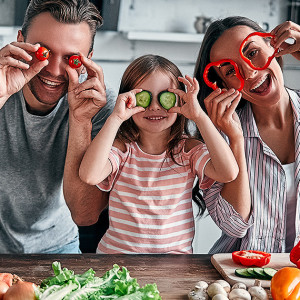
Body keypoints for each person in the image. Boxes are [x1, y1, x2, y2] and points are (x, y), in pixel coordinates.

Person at [78, 54, 239, 254]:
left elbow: (228, 172)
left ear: (180, 99)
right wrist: (116, 117)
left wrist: (198, 116)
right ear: (127, 99)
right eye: (143, 97)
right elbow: (89, 175)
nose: (154, 106)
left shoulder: (187, 150)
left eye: (165, 97)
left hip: (173, 265)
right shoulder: (122, 149)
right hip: (116, 262)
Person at [0, 0, 115, 253]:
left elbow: (85, 215)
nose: (53, 70)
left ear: (88, 60)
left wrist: (80, 121)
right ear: (20, 39)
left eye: (71, 59)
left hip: (58, 248)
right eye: (42, 51)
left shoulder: (100, 106)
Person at [193, 16, 300, 253]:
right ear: (223, 85)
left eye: (252, 53)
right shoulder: (219, 137)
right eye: (231, 70)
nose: (249, 73)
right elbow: (234, 226)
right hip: (239, 276)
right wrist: (236, 140)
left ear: (274, 46)